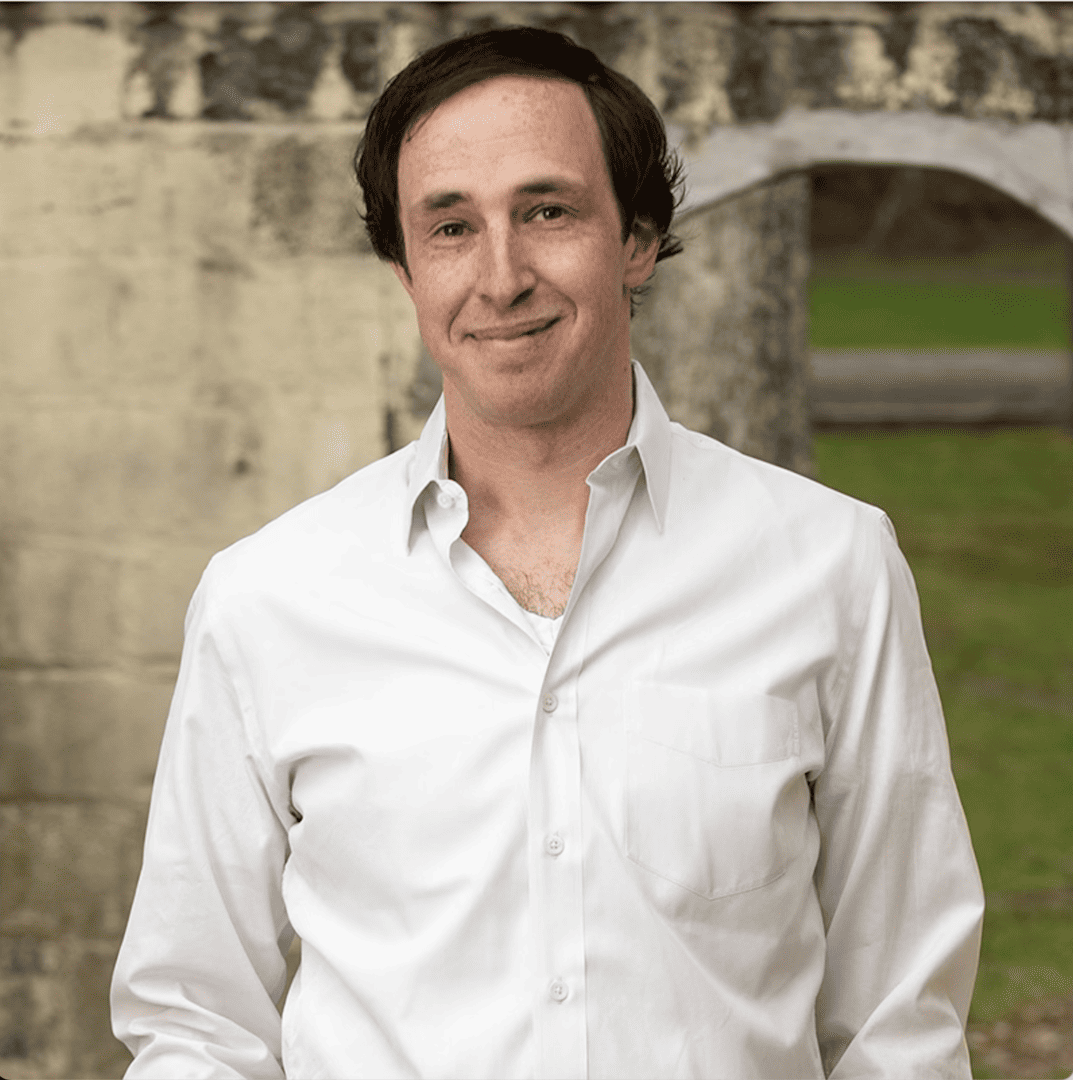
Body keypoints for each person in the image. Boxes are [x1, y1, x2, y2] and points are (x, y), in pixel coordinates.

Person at [111, 26, 984, 1079]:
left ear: (637, 240)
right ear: (402, 267)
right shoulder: (268, 596)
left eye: (547, 211)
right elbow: (195, 1021)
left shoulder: (829, 564)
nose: (501, 275)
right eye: (448, 227)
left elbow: (899, 1021)